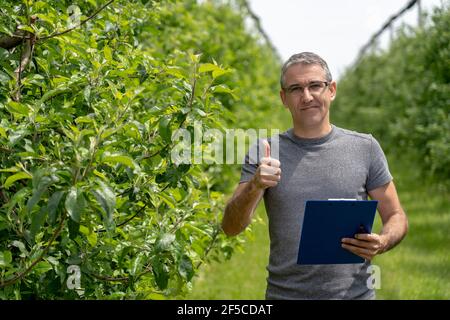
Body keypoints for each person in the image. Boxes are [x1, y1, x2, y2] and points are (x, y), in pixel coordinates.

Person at [221, 52, 408, 300]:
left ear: (331, 90)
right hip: (285, 295)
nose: (307, 96)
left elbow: (396, 216)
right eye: (296, 88)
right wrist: (255, 185)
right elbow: (230, 227)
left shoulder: (365, 148)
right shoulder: (265, 151)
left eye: (315, 86)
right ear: (283, 98)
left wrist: (383, 240)